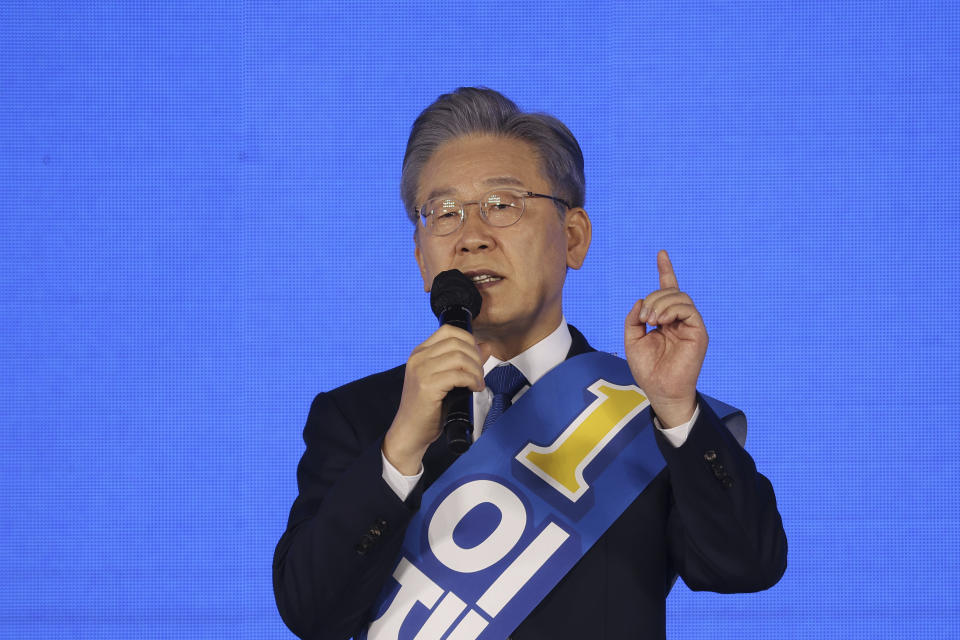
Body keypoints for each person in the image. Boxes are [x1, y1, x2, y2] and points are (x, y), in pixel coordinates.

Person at [273, 87, 787, 640]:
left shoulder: (641, 406)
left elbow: (745, 566)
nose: (471, 238)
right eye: (444, 214)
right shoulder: (360, 415)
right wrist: (398, 453)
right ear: (422, 258)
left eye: (502, 205)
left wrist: (677, 412)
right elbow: (313, 614)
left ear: (573, 237)